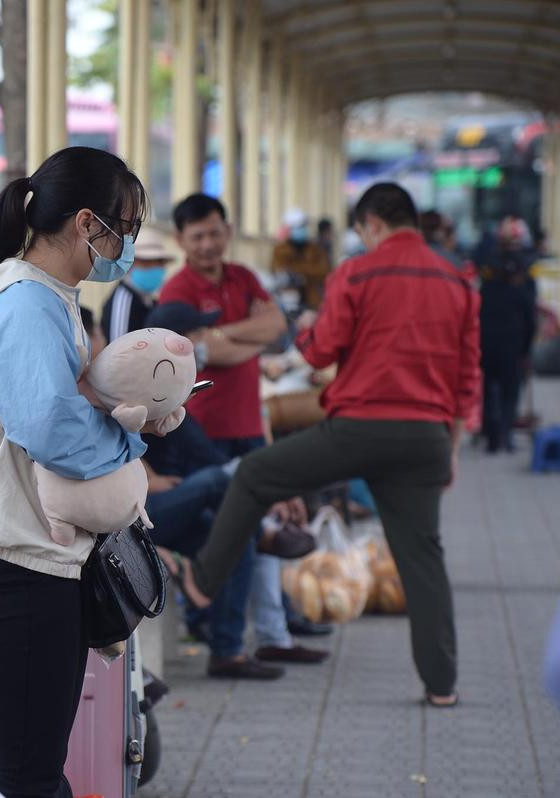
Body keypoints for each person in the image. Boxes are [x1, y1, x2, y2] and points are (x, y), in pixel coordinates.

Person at [169, 182, 481, 708]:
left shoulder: (357, 272)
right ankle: (442, 685)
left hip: (358, 429)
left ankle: (201, 581)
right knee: (423, 558)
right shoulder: (459, 278)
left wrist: (309, 335)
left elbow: (319, 353)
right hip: (426, 435)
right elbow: (467, 378)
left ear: (371, 224)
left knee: (253, 476)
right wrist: (450, 448)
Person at [0, 146, 151, 797]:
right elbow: (49, 427)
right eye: (124, 228)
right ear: (86, 223)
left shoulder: (44, 293)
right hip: (21, 566)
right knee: (30, 774)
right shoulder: (24, 302)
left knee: (34, 766)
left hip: (37, 559)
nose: (127, 243)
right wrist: (130, 450)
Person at [157, 195, 315, 678]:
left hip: (248, 427)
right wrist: (240, 341)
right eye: (197, 236)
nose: (207, 244)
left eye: (214, 232)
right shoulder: (176, 293)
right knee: (232, 533)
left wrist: (226, 338)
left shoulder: (243, 277)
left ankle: (265, 634)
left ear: (228, 230)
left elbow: (276, 328)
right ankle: (221, 635)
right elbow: (206, 354)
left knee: (249, 532)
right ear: (181, 240)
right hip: (203, 435)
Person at [141, 301, 326, 674]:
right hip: (140, 511)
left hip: (174, 504)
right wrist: (144, 475)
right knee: (218, 481)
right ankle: (265, 532)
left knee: (235, 532)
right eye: (198, 336)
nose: (205, 343)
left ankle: (227, 651)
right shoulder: (140, 383)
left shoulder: (178, 388)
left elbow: (203, 452)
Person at [478, 217, 538, 453]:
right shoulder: (524, 276)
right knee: (510, 389)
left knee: (490, 387)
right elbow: (529, 315)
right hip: (513, 341)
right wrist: (527, 347)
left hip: (488, 339)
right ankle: (505, 434)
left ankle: (492, 434)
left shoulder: (488, 270)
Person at [100, 228, 174, 342]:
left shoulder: (149, 300)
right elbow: (119, 350)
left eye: (159, 262)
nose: (155, 268)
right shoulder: (123, 299)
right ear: (130, 264)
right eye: (146, 262)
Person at [270, 208, 331, 309]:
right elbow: (277, 270)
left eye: (304, 226)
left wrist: (298, 272)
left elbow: (325, 271)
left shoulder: (316, 249)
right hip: (288, 300)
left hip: (313, 300)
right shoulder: (280, 250)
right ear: (290, 229)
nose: (303, 230)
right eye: (300, 227)